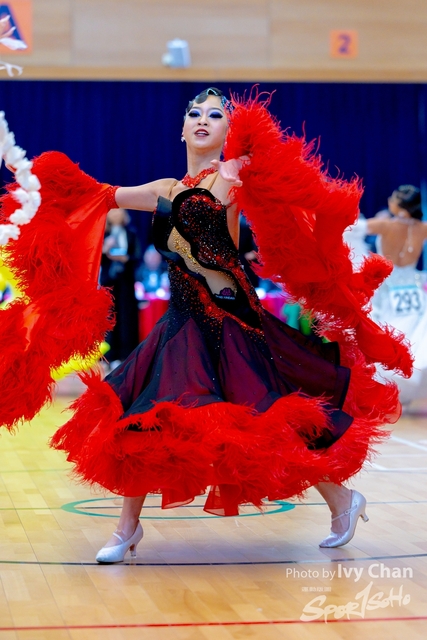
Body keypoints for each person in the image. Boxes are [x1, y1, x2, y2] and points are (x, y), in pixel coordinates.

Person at [0, 88, 411, 563]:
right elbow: (95, 196)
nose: (202, 119)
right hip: (181, 324)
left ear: (227, 132)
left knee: (267, 417)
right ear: (181, 129)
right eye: (194, 113)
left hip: (232, 321)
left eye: (216, 115)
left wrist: (244, 166)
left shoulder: (233, 178)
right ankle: (127, 528)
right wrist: (36, 184)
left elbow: (267, 196)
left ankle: (341, 499)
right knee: (144, 414)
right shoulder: (162, 189)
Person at [364, 185, 427, 404]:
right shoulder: (423, 228)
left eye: (393, 198)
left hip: (387, 286)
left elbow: (352, 229)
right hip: (413, 288)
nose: (389, 199)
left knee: (386, 331)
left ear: (400, 205)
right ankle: (405, 384)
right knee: (411, 334)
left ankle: (385, 386)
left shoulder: (385, 225)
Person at [100, 207, 141, 370]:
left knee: (126, 317)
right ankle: (109, 356)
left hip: (126, 283)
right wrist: (105, 249)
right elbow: (96, 258)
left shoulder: (130, 234)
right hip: (109, 283)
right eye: (113, 212)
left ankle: (126, 355)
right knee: (109, 317)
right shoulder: (103, 235)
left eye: (119, 211)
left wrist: (126, 258)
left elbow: (137, 256)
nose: (116, 214)